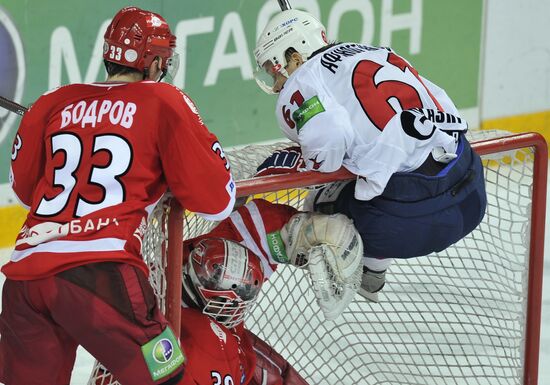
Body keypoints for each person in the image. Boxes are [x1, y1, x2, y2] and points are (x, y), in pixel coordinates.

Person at [0, 7, 235, 385]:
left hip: (25, 280)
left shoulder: (54, 101)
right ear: (156, 61)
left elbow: (26, 192)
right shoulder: (163, 100)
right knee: (167, 374)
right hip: (99, 273)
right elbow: (216, 199)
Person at [252, 9, 487, 299]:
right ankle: (373, 267)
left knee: (320, 196)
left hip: (403, 227)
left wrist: (309, 168)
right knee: (380, 166)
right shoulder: (378, 52)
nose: (276, 85)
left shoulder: (301, 82)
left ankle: (367, 271)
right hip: (472, 193)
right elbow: (442, 102)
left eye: (274, 70)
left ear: (296, 58)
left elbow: (328, 140)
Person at [177, 198, 363, 385]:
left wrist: (311, 231)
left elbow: (263, 228)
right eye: (238, 302)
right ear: (217, 300)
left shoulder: (184, 268)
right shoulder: (206, 348)